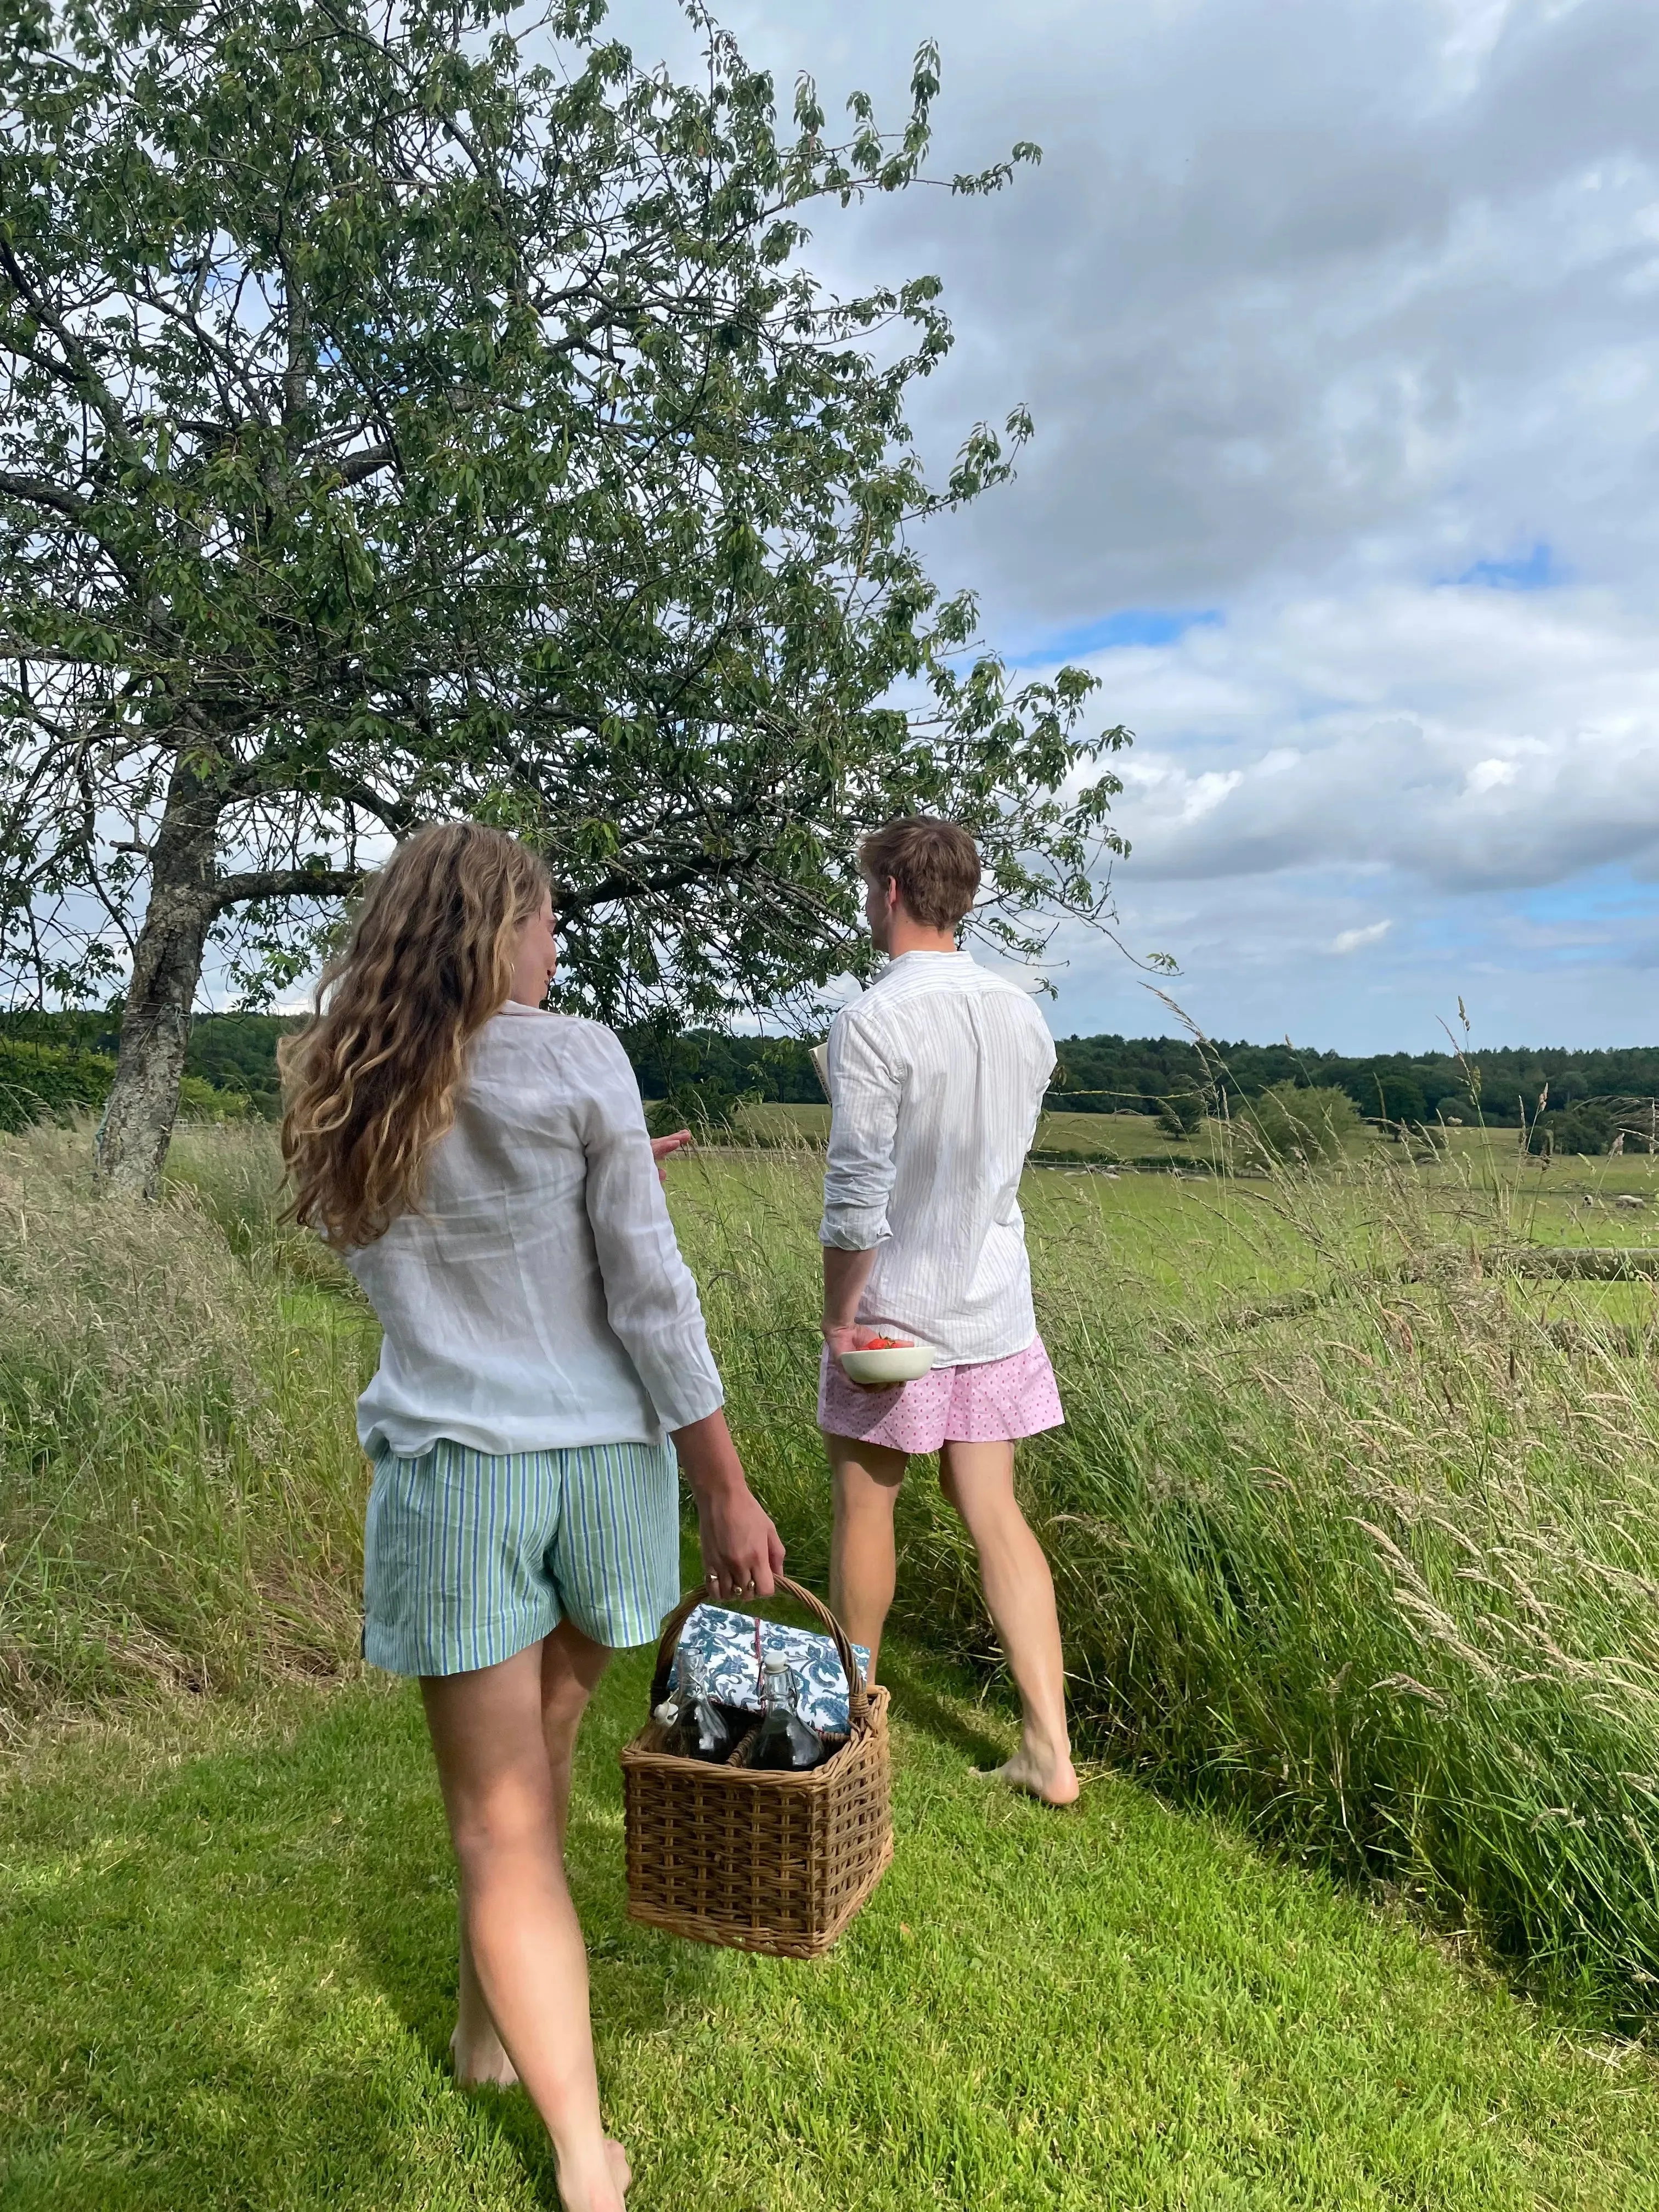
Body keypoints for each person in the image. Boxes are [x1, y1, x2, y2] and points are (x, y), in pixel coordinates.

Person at [279, 822, 782, 2212]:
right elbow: (647, 1296)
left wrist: (590, 1182)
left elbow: (407, 1245)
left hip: (461, 1475)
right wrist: (726, 1485)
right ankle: (533, 2086)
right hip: (604, 1473)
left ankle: (562, 2132)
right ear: (495, 931)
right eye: (545, 926)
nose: (555, 952)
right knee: (532, 1787)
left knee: (501, 1824)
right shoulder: (581, 1059)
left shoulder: (353, 1069)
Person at [818, 815, 1080, 1808]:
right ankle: (1049, 1750)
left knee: (864, 1506)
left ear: (888, 890)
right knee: (994, 1509)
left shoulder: (871, 1021)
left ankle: (848, 1730)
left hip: (894, 1317)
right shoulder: (1024, 1018)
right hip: (994, 1303)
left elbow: (856, 1200)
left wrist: (838, 1318)